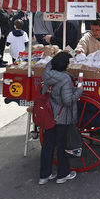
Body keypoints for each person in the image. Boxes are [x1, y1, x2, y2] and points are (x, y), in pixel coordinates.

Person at [39, 51, 82, 185]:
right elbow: (68, 101)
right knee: (62, 146)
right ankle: (63, 174)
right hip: (61, 117)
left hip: (49, 115)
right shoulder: (65, 79)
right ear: (64, 65)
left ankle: (44, 176)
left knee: (47, 146)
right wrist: (79, 91)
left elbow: (49, 65)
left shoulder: (47, 74)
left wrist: (58, 56)